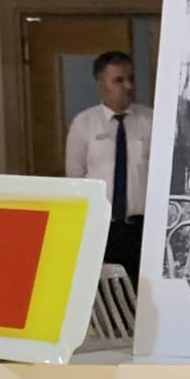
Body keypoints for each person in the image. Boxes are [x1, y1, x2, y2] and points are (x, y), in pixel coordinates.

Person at [65, 50, 153, 284]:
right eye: (119, 80)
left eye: (131, 79)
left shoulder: (150, 120)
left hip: (144, 228)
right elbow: (75, 177)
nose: (128, 86)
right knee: (110, 291)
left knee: (145, 291)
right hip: (103, 228)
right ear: (101, 85)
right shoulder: (84, 123)